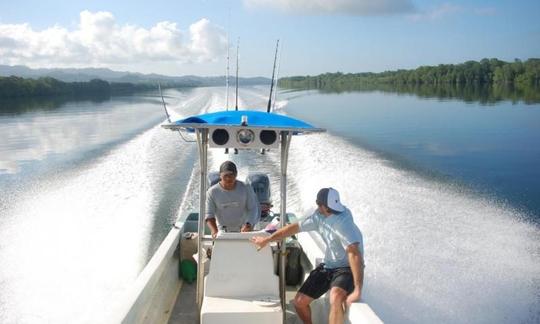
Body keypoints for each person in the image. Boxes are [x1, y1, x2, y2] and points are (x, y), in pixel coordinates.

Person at [251, 188, 364, 324]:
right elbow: (293, 228)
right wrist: (267, 240)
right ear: (320, 205)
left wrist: (358, 289)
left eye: (334, 208)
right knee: (299, 302)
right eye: (328, 208)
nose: (332, 212)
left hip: (346, 267)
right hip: (329, 266)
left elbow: (354, 254)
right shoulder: (318, 216)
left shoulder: (344, 221)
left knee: (336, 297)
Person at [206, 161, 259, 238]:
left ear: (236, 175)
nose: (228, 178)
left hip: (244, 230)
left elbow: (253, 209)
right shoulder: (212, 192)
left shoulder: (246, 188)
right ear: (220, 175)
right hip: (222, 232)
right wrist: (214, 231)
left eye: (232, 175)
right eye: (225, 175)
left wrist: (249, 224)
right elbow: (209, 215)